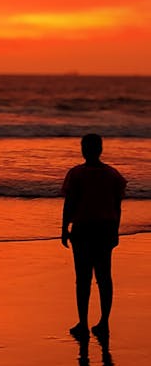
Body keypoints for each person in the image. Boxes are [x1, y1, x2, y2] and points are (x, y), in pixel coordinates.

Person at [61, 133, 127, 342]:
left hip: (83, 229)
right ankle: (103, 322)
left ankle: (83, 322)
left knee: (83, 278)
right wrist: (115, 230)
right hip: (105, 229)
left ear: (84, 150)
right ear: (100, 150)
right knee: (104, 277)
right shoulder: (113, 175)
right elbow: (117, 207)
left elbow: (69, 203)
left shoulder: (76, 174)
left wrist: (64, 227)